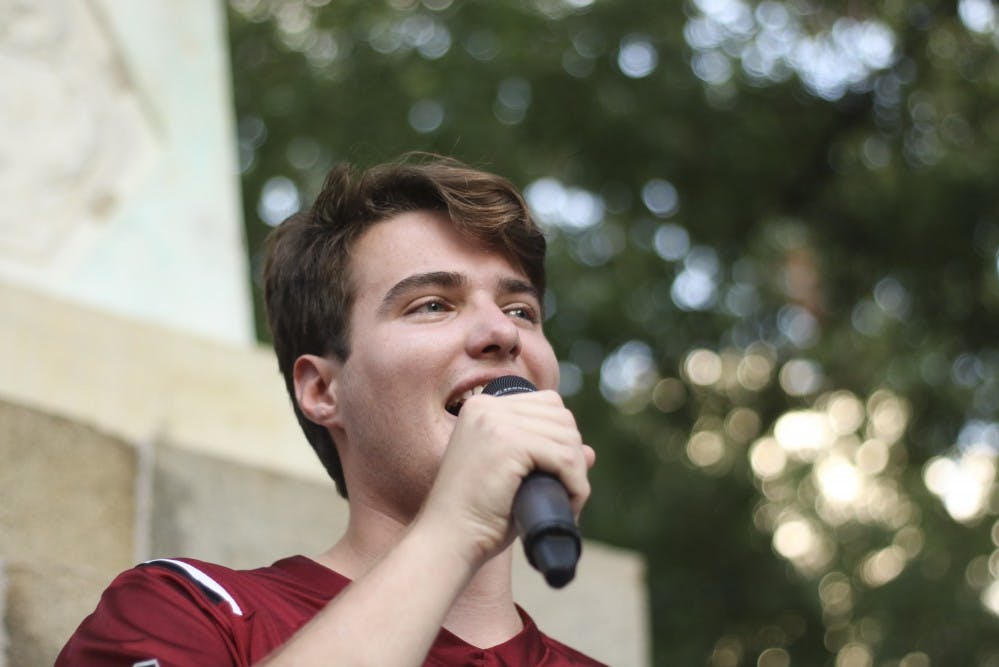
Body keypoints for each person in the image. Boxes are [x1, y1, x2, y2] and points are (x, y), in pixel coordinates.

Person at [56, 154, 602, 666]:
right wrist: (455, 529)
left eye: (520, 310)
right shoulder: (187, 613)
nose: (502, 333)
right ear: (321, 389)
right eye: (433, 304)